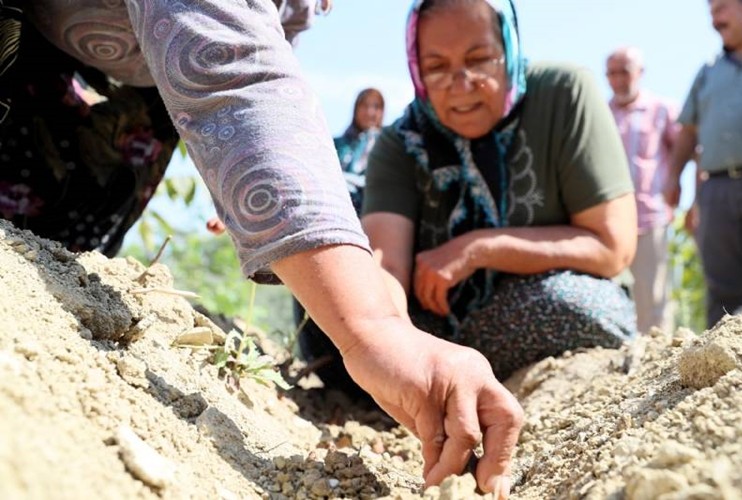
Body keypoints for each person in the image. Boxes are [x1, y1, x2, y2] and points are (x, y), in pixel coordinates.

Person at [0, 1, 522, 495]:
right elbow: (234, 70)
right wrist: (373, 329)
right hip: (34, 54)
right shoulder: (399, 146)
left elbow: (261, 56)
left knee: (44, 256)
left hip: (111, 89)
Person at [361, 0, 639, 381]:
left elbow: (611, 247)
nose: (461, 85)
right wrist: (393, 340)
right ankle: (439, 374)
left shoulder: (563, 94)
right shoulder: (401, 142)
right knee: (337, 316)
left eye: (479, 59)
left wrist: (479, 248)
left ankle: (457, 375)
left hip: (544, 302)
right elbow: (386, 266)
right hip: (436, 332)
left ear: (508, 49)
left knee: (569, 305)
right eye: (437, 67)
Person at [663, 0, 742, 328]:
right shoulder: (708, 71)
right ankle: (721, 368)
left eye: (723, 8)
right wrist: (673, 176)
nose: (716, 18)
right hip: (716, 189)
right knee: (723, 289)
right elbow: (688, 130)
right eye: (711, 11)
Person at [295, 88, 387, 397]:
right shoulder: (335, 145)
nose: (371, 112)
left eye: (377, 107)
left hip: (374, 232)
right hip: (329, 223)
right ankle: (321, 358)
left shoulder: (390, 147)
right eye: (365, 105)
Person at [606, 47, 680, 334]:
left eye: (624, 71)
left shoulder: (662, 109)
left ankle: (659, 366)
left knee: (653, 299)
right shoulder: (600, 114)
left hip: (650, 217)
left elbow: (685, 151)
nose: (617, 80)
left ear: (640, 73)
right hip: (610, 222)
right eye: (611, 73)